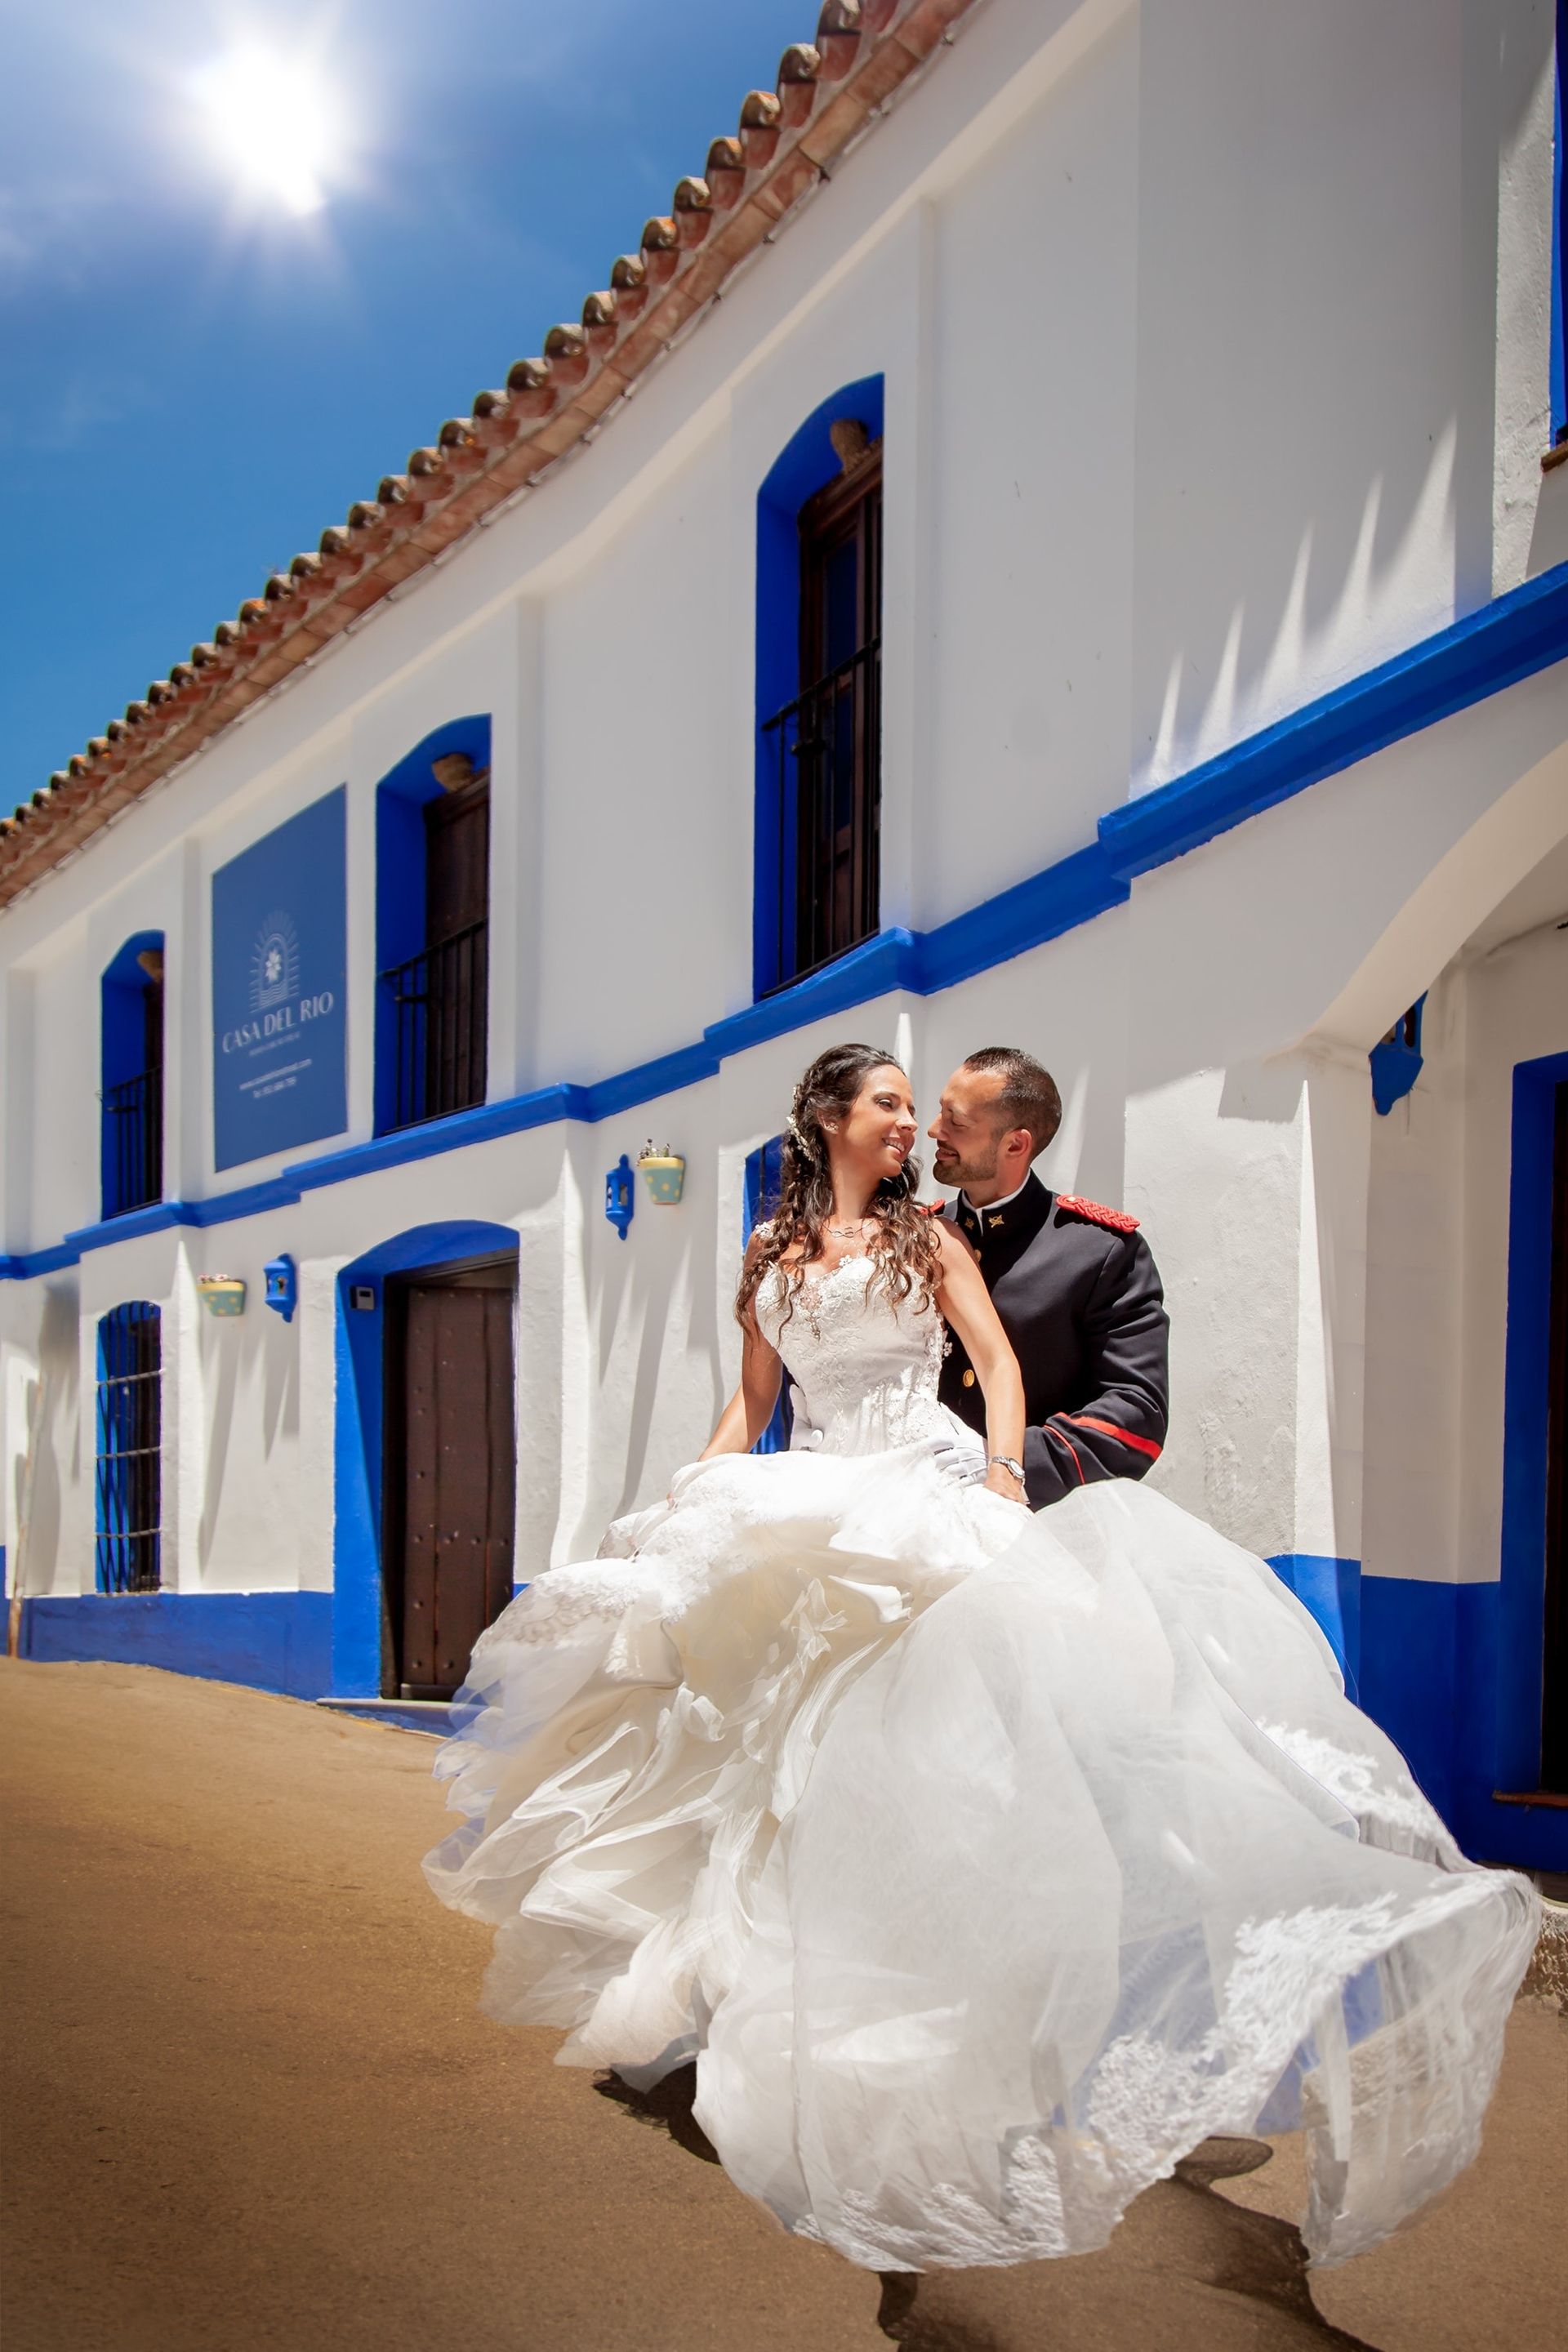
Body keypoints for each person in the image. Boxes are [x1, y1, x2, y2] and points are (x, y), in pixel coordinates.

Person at [425, 1042, 1538, 2276]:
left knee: (1057, 1805)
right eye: (903, 1109)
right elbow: (755, 1402)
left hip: (1008, 1543)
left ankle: (1078, 2046)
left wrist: (1000, 1483)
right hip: (828, 1520)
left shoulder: (1088, 1249)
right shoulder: (845, 1240)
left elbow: (1113, 1409)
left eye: (943, 1118)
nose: (925, 1134)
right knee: (787, 1776)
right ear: (834, 1121)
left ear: (1016, 1139)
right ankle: (817, 2015)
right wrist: (700, 1500)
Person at [929, 1045, 1169, 1504]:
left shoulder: (1101, 1251)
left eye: (956, 1122)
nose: (934, 1130)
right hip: (908, 1506)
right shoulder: (915, 1236)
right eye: (941, 1113)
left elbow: (1138, 1413)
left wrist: (1004, 1462)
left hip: (1037, 1524)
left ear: (1015, 1145)